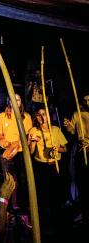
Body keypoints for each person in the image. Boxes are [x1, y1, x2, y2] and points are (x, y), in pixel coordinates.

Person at [0, 93, 33, 228]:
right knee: (7, 182)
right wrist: (3, 140)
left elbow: (28, 134)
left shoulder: (26, 117)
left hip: (21, 152)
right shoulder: (2, 116)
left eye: (17, 99)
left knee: (23, 182)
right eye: (13, 99)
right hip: (6, 152)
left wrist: (18, 143)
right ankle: (6, 212)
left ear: (20, 102)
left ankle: (24, 213)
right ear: (9, 102)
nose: (15, 101)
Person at [29, 109, 67, 223]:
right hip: (41, 165)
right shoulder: (34, 130)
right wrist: (33, 141)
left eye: (44, 114)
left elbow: (65, 148)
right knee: (42, 193)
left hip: (54, 164)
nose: (41, 117)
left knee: (55, 192)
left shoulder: (55, 130)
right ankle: (44, 220)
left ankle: (56, 218)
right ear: (36, 118)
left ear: (48, 116)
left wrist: (59, 149)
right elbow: (31, 151)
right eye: (38, 115)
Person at [64, 93, 89, 224]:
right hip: (81, 152)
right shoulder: (77, 114)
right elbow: (73, 132)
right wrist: (69, 127)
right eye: (85, 101)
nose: (88, 103)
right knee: (83, 184)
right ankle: (84, 214)